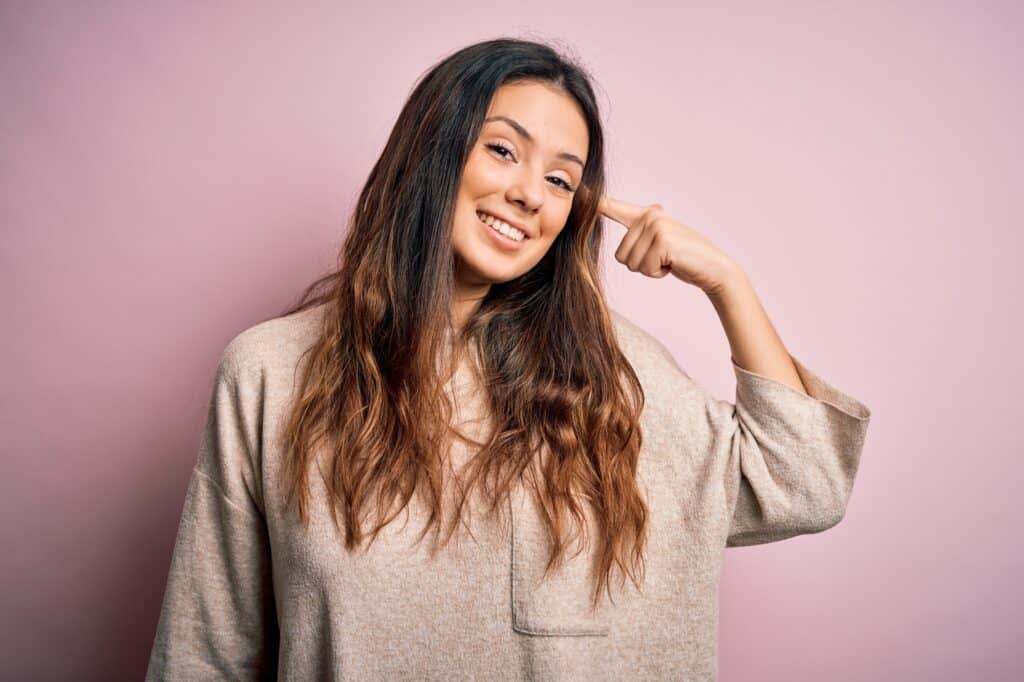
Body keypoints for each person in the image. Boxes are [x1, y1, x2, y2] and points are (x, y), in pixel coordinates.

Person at [145, 37, 872, 681]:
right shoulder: (271, 373)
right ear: (433, 151)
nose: (529, 193)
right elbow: (204, 654)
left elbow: (802, 482)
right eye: (502, 149)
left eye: (561, 178)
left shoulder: (611, 373)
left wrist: (726, 281)